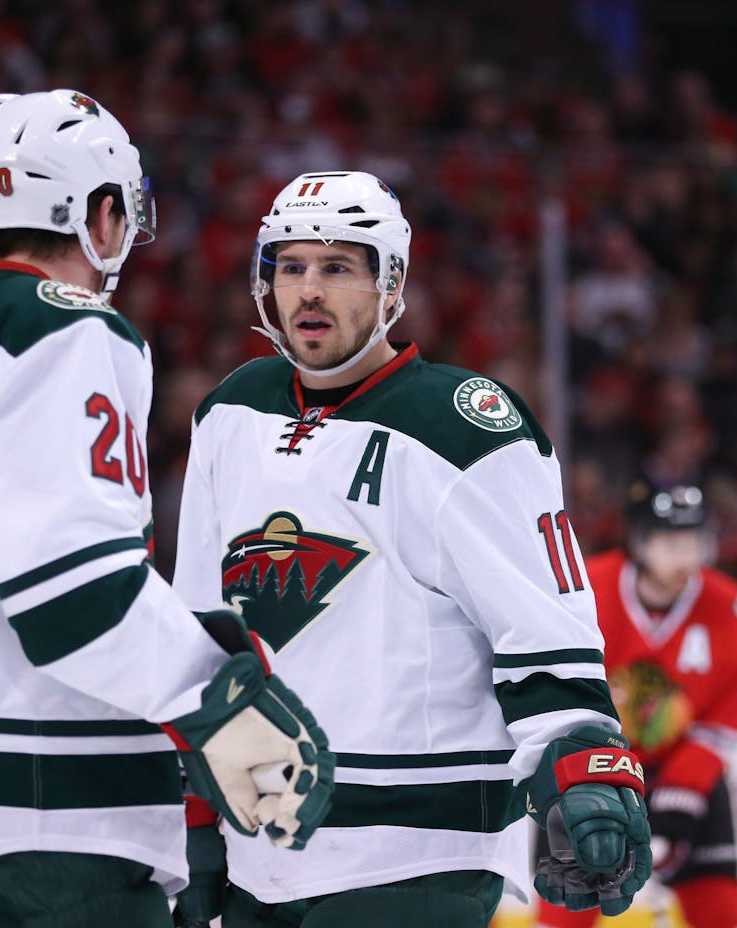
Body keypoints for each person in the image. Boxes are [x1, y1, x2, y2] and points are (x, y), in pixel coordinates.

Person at [0, 89, 334, 928]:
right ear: (103, 214)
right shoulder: (74, 332)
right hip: (29, 832)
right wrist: (220, 702)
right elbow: (74, 596)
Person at [170, 171, 652, 927]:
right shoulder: (231, 411)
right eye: (290, 267)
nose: (308, 291)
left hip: (418, 854)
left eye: (337, 267)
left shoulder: (464, 426)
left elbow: (542, 622)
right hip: (260, 843)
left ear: (390, 283)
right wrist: (194, 817)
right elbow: (201, 629)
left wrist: (581, 758)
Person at [538, 483, 737, 928]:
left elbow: (722, 721)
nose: (686, 557)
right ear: (641, 543)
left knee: (720, 905)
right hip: (588, 769)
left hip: (684, 770)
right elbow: (554, 686)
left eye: (695, 542)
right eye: (670, 542)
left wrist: (680, 798)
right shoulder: (582, 593)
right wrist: (582, 771)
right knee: (565, 910)